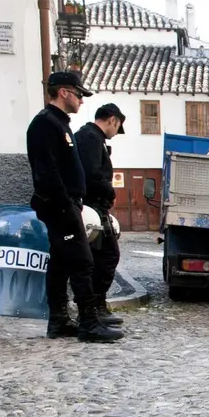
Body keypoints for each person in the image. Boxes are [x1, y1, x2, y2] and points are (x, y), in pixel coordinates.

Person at [26, 71, 123, 343]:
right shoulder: (45, 124)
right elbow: (46, 172)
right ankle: (89, 324)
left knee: (59, 264)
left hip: (66, 205)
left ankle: (58, 322)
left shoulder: (60, 123)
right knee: (82, 262)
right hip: (60, 206)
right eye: (79, 94)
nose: (82, 100)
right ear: (64, 92)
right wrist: (66, 206)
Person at [76, 103, 126, 327]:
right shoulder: (90, 138)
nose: (116, 133)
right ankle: (94, 307)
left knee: (100, 258)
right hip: (93, 205)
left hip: (95, 205)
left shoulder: (90, 137)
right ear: (112, 120)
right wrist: (110, 192)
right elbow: (93, 174)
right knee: (106, 256)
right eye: (117, 127)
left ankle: (97, 306)